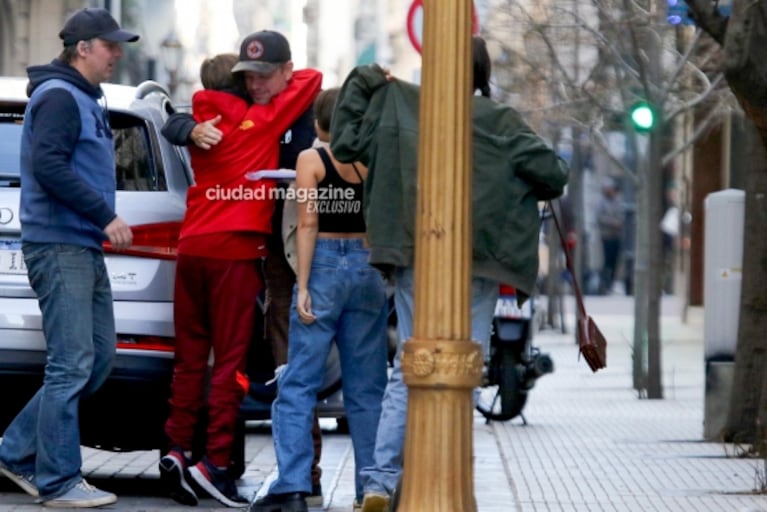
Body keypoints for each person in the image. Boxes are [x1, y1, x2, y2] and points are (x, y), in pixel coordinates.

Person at [329, 36, 569, 512]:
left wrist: (366, 78)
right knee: (465, 365)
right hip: (478, 259)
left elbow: (344, 141)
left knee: (408, 367)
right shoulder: (501, 121)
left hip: (415, 251)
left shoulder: (402, 108)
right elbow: (553, 174)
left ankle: (379, 480)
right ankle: (448, 474)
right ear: (482, 73)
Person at [162, 30, 327, 508]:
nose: (254, 84)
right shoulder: (261, 117)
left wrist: (191, 122)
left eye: (260, 74)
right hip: (234, 255)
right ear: (235, 84)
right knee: (229, 365)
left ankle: (174, 448)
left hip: (191, 248)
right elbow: (312, 79)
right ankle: (215, 464)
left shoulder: (200, 115)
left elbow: (176, 120)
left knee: (189, 360)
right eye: (246, 77)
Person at [0, 7, 137, 509]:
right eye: (110, 45)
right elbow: (49, 165)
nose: (117, 54)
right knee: (72, 362)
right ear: (83, 48)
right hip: (61, 244)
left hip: (79, 245)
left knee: (96, 358)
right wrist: (105, 214)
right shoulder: (59, 97)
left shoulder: (81, 97)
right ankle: (59, 481)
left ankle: (14, 450)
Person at [251, 88, 389, 512]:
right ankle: (370, 489)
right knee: (366, 390)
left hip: (325, 265)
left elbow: (307, 224)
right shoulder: (373, 157)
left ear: (319, 125)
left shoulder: (311, 160)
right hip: (368, 270)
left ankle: (293, 487)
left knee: (298, 386)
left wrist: (304, 284)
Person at [596, 179, 624, 295]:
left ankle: (611, 283)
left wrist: (619, 223)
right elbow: (599, 218)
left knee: (614, 261)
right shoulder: (601, 202)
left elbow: (622, 216)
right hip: (606, 236)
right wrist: (612, 223)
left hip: (616, 236)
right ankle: (604, 284)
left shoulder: (618, 201)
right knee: (607, 261)